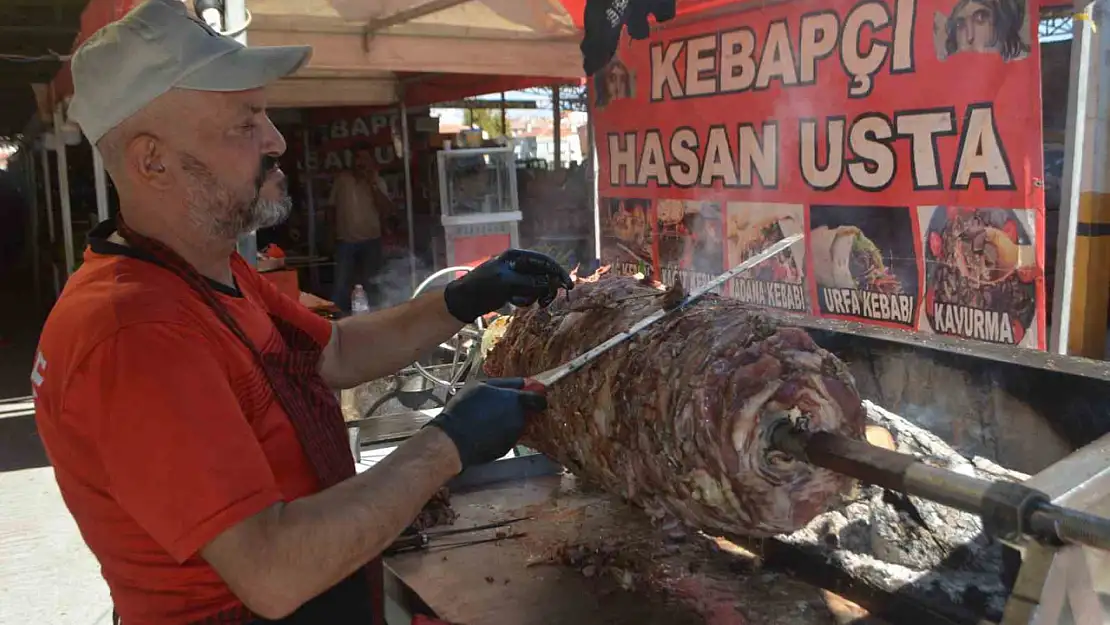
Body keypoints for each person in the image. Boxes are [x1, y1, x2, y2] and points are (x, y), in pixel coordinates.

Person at [30, 2, 573, 624]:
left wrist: (462, 298)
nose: (277, 140)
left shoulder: (207, 269)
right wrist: (448, 441)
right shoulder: (134, 334)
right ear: (152, 160)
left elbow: (333, 355)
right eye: (245, 123)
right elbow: (271, 569)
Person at [329, 148, 390, 312]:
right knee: (341, 285)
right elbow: (331, 209)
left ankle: (376, 319)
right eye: (358, 158)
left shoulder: (377, 181)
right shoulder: (342, 180)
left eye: (364, 158)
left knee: (372, 283)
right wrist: (331, 235)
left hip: (371, 240)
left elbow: (386, 209)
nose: (360, 163)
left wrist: (372, 183)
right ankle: (335, 322)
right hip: (346, 241)